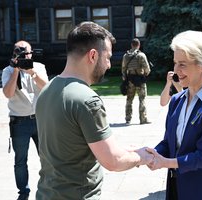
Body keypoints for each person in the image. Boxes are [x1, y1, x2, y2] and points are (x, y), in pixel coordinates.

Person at [35, 22, 154, 200]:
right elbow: (113, 161)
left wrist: (124, 149)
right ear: (92, 55)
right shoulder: (88, 100)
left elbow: (75, 145)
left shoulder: (47, 89)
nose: (108, 64)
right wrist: (141, 157)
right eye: (107, 57)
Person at [146, 30, 202, 200]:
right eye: (175, 63)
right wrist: (149, 154)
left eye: (183, 64)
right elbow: (168, 143)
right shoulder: (176, 100)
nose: (176, 71)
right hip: (176, 191)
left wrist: (167, 163)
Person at [1, 40, 48, 200]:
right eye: (20, 54)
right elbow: (8, 93)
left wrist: (31, 72)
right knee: (20, 160)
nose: (24, 56)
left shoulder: (39, 67)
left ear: (31, 52)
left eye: (26, 53)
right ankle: (23, 192)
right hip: (19, 123)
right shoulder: (7, 71)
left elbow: (46, 88)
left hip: (39, 120)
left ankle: (48, 187)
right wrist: (15, 70)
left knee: (46, 156)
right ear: (14, 55)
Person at [121, 38, 151, 125]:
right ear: (139, 45)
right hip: (140, 80)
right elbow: (147, 69)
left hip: (130, 79)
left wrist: (125, 78)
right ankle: (143, 119)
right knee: (142, 99)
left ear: (131, 45)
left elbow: (123, 69)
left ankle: (128, 119)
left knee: (129, 99)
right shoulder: (141, 55)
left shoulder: (126, 55)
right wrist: (145, 74)